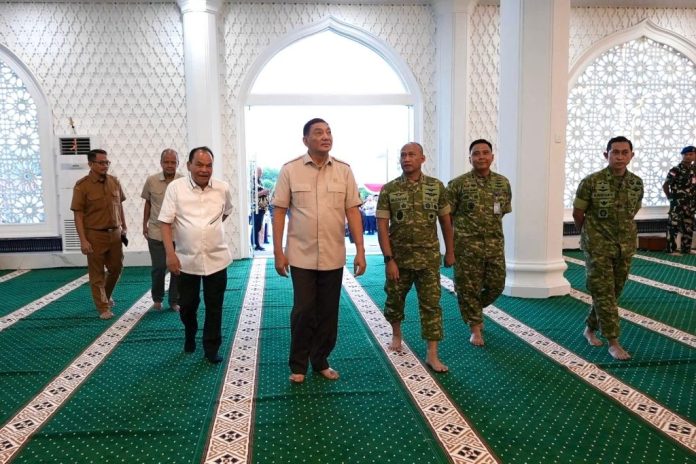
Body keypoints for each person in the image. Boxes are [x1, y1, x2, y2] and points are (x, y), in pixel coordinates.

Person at [272, 118, 366, 384]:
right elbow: (279, 211)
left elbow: (352, 211)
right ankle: (298, 364)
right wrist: (278, 252)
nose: (325, 136)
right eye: (318, 132)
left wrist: (360, 250)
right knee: (303, 310)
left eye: (328, 132)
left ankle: (321, 360)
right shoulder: (290, 170)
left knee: (328, 311)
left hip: (333, 254)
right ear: (305, 140)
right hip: (300, 254)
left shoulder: (344, 171)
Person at [376, 142, 454, 372]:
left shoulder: (436, 187)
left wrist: (450, 251)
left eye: (411, 154)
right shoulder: (389, 189)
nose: (406, 159)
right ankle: (396, 334)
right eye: (403, 155)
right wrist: (389, 259)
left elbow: (446, 222)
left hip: (428, 258)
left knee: (431, 305)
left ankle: (432, 353)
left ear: (422, 159)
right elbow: (382, 227)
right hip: (399, 259)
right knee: (394, 300)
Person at [159, 147, 233, 364]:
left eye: (209, 165)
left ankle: (211, 348)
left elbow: (226, 212)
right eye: (199, 165)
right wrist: (170, 254)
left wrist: (207, 231)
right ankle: (190, 332)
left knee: (215, 306)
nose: (204, 170)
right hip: (186, 260)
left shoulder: (222, 188)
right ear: (189, 166)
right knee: (188, 305)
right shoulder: (176, 188)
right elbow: (165, 223)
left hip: (217, 258)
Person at [573, 136, 643, 361]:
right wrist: (589, 235)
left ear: (631, 155)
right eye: (615, 152)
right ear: (606, 155)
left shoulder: (636, 183)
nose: (620, 157)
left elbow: (633, 210)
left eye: (624, 152)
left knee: (613, 292)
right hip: (598, 247)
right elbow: (578, 213)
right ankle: (613, 342)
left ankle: (589, 328)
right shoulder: (591, 182)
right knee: (603, 293)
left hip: (624, 246)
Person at [446, 139, 511, 346]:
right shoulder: (457, 184)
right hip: (466, 247)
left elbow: (502, 211)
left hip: (494, 246)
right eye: (476, 153)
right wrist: (452, 245)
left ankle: (472, 308)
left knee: (497, 285)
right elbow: (447, 216)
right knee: (468, 288)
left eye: (485, 153)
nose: (481, 157)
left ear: (492, 157)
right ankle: (475, 327)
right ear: (470, 158)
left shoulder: (503, 183)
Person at [71, 149, 127, 320]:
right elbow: (78, 215)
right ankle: (103, 307)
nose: (105, 165)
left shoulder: (114, 181)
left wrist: (124, 226)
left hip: (115, 234)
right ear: (90, 164)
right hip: (94, 235)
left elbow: (120, 205)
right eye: (101, 163)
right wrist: (83, 240)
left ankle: (106, 296)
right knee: (97, 274)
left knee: (116, 268)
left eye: (107, 162)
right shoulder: (82, 186)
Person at [141, 148, 183, 311]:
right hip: (156, 232)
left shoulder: (184, 181)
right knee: (158, 268)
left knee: (177, 269)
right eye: (166, 162)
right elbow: (148, 203)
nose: (170, 165)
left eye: (173, 162)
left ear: (178, 163)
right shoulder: (151, 181)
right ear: (161, 163)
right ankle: (157, 299)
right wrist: (144, 224)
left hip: (177, 233)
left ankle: (174, 301)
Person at [663, 145, 696, 256]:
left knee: (688, 225)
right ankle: (671, 249)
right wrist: (671, 198)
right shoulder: (676, 170)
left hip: (690, 204)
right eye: (685, 154)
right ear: (682, 155)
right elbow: (665, 185)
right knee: (674, 226)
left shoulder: (694, 170)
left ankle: (686, 248)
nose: (688, 156)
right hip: (677, 203)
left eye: (691, 154)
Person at [252, 166, 271, 251]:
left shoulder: (259, 181)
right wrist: (263, 192)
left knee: (259, 226)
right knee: (256, 226)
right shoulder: (252, 181)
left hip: (261, 208)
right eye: (259, 172)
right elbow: (253, 195)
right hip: (256, 208)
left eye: (261, 172)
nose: (261, 174)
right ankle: (255, 244)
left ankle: (257, 244)